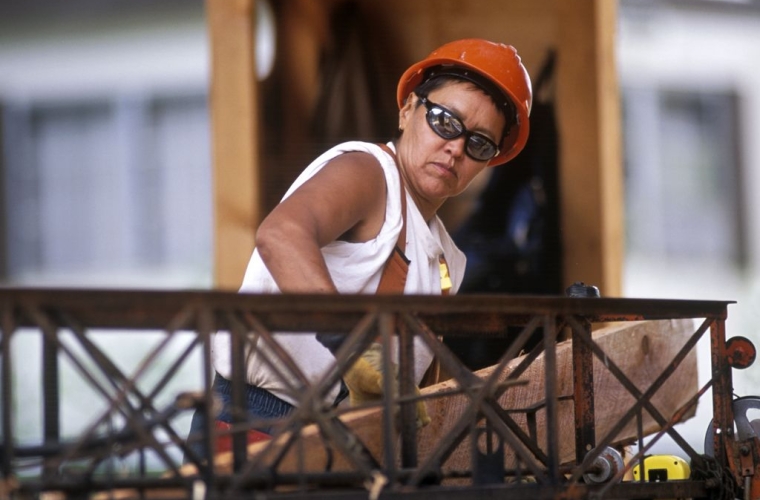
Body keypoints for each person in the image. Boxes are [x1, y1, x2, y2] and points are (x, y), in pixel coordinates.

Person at [186, 38, 532, 461]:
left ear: (489, 162)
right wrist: (351, 342)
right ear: (407, 110)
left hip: (347, 440)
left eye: (479, 143)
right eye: (444, 121)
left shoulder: (445, 256)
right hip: (258, 421)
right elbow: (282, 235)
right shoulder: (370, 172)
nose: (456, 147)